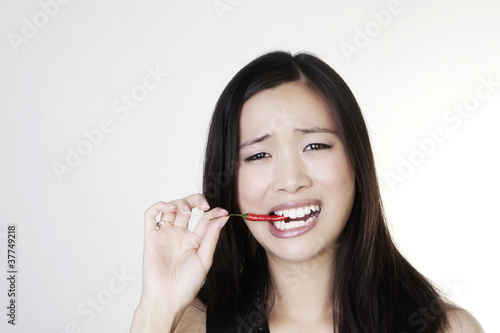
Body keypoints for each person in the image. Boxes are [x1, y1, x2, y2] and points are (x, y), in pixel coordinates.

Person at [130, 51, 484, 332]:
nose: (290, 179)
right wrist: (157, 308)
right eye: (258, 155)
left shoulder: (447, 329)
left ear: (356, 162)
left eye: (314, 146)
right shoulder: (189, 327)